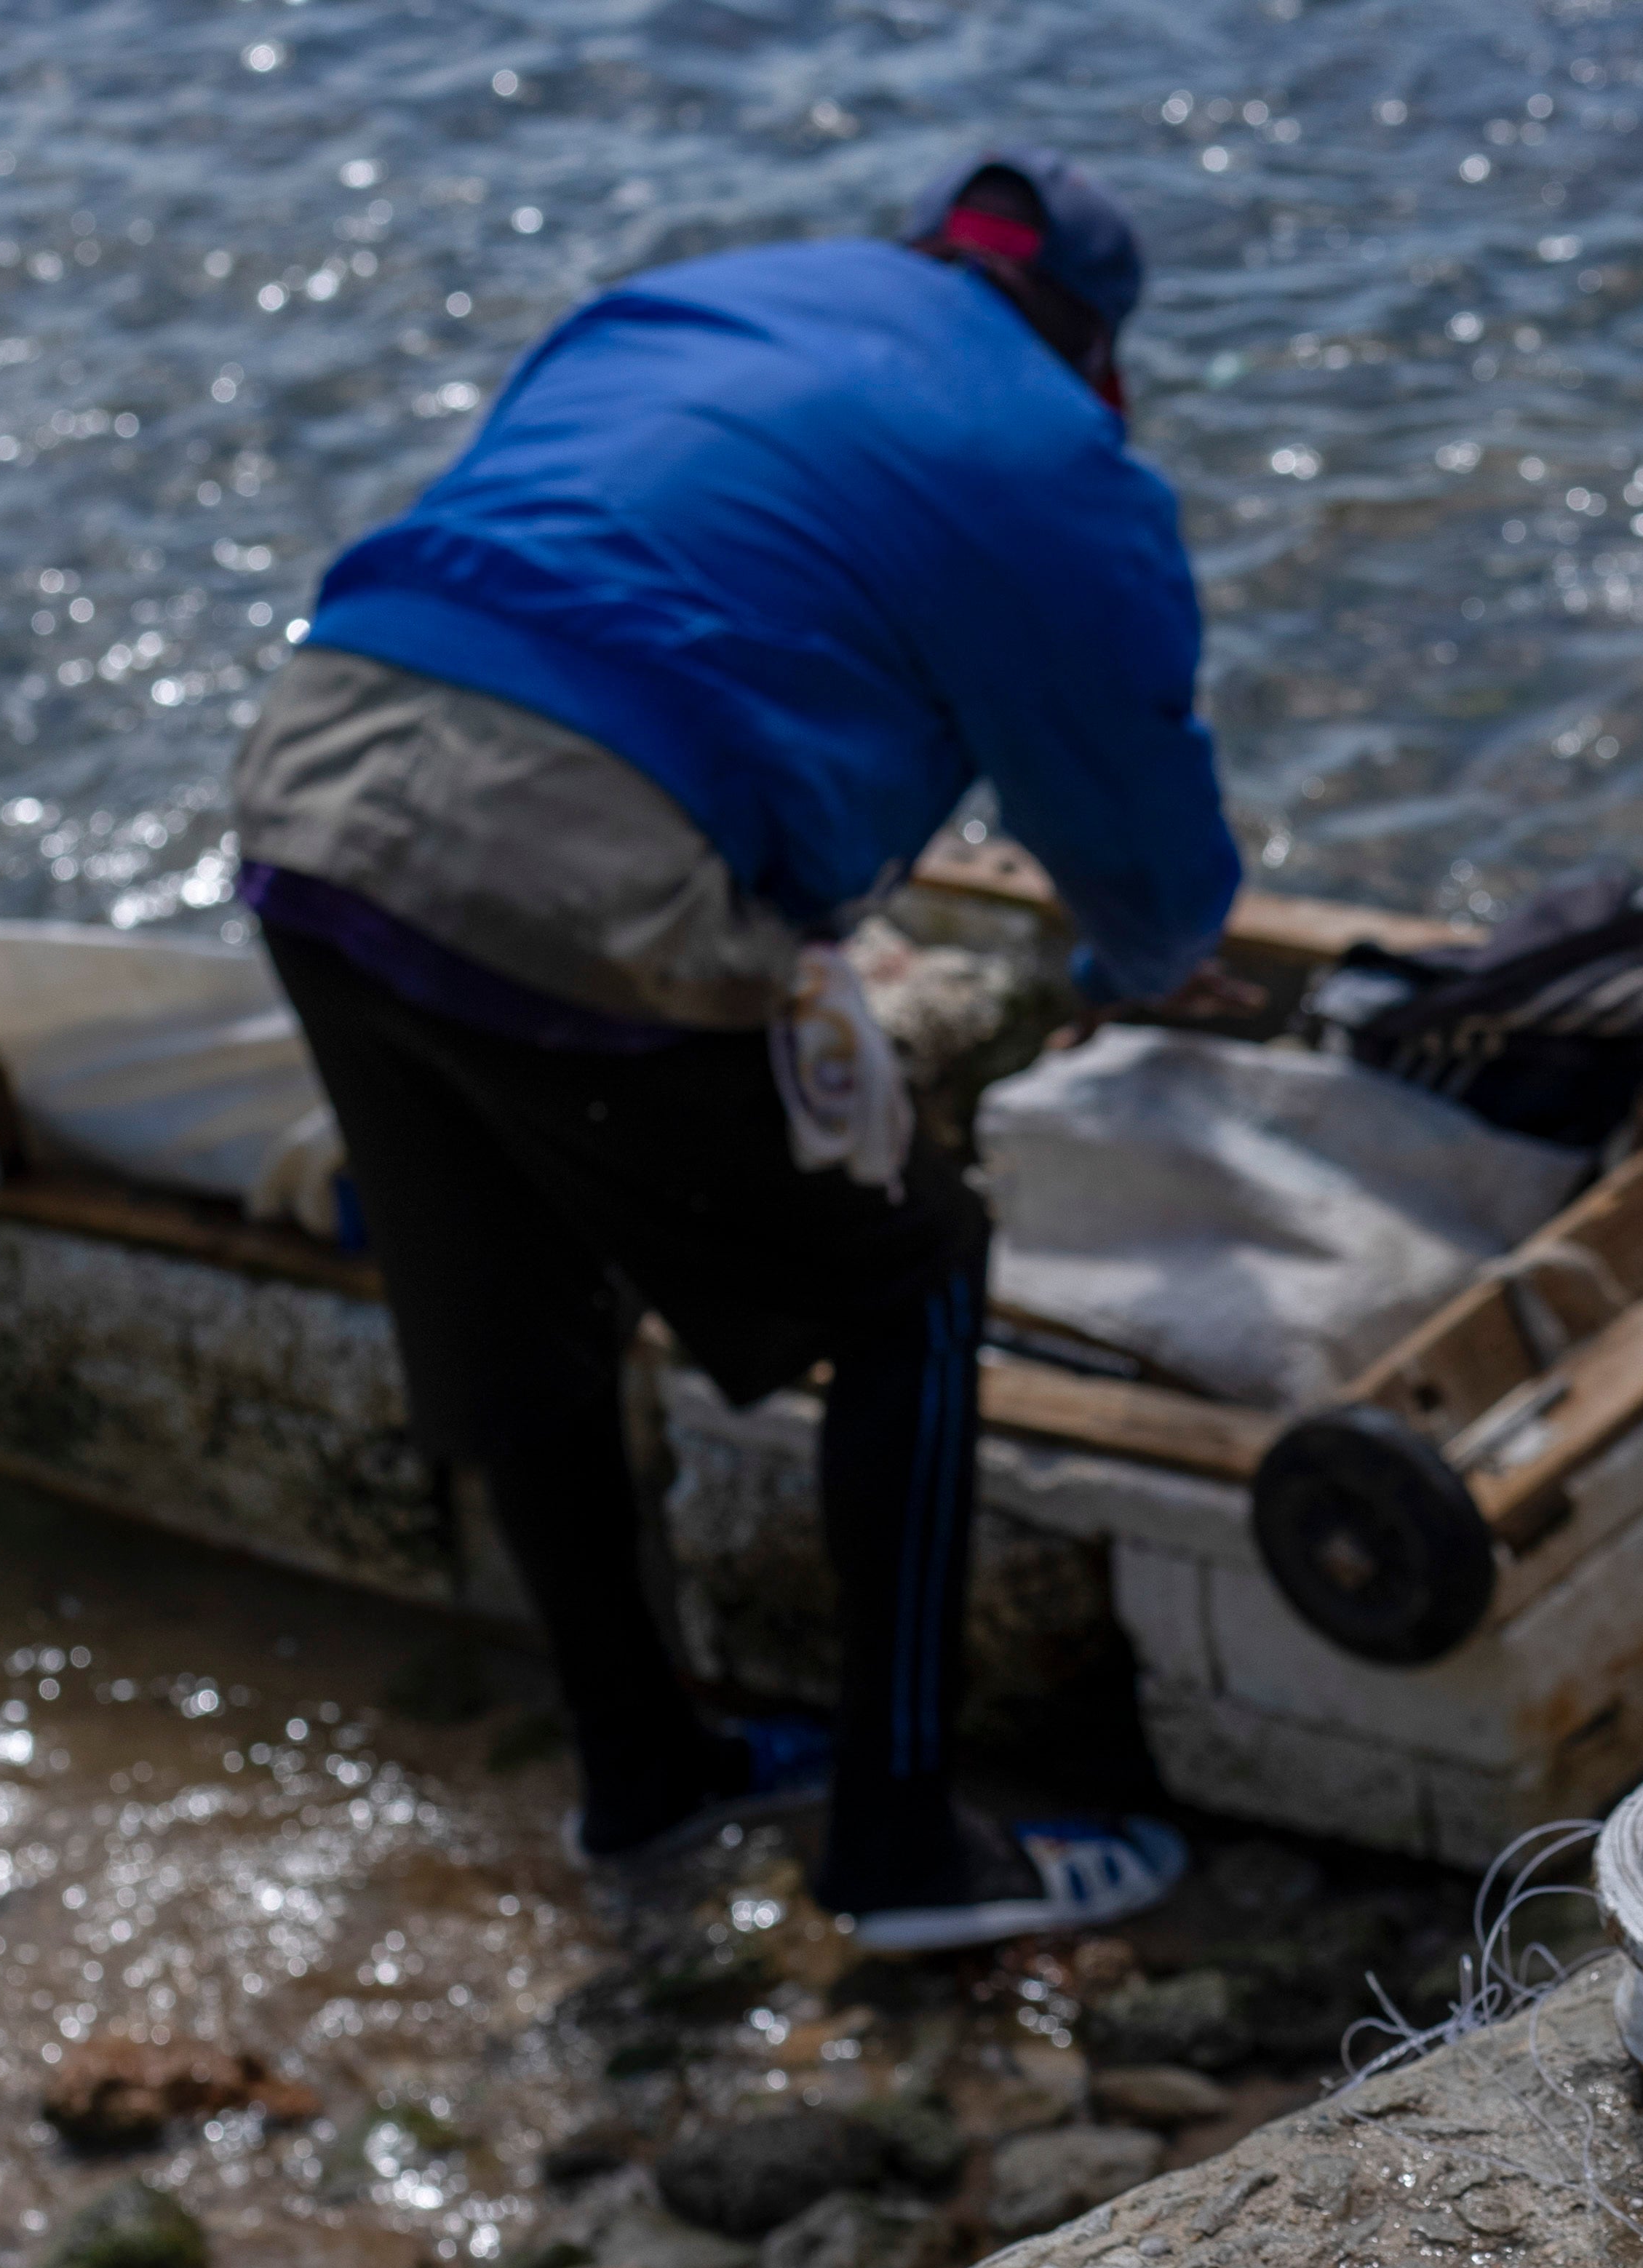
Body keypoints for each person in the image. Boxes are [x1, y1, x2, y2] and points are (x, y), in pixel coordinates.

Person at [229, 152, 1230, 1949]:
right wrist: (1136, 962)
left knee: (531, 1309)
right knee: (914, 1280)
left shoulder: (702, 295)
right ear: (1096, 344)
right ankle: (902, 1848)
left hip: (318, 788)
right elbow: (1140, 830)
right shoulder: (1053, 453)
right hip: (572, 848)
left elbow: (613, 567)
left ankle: (647, 1781)